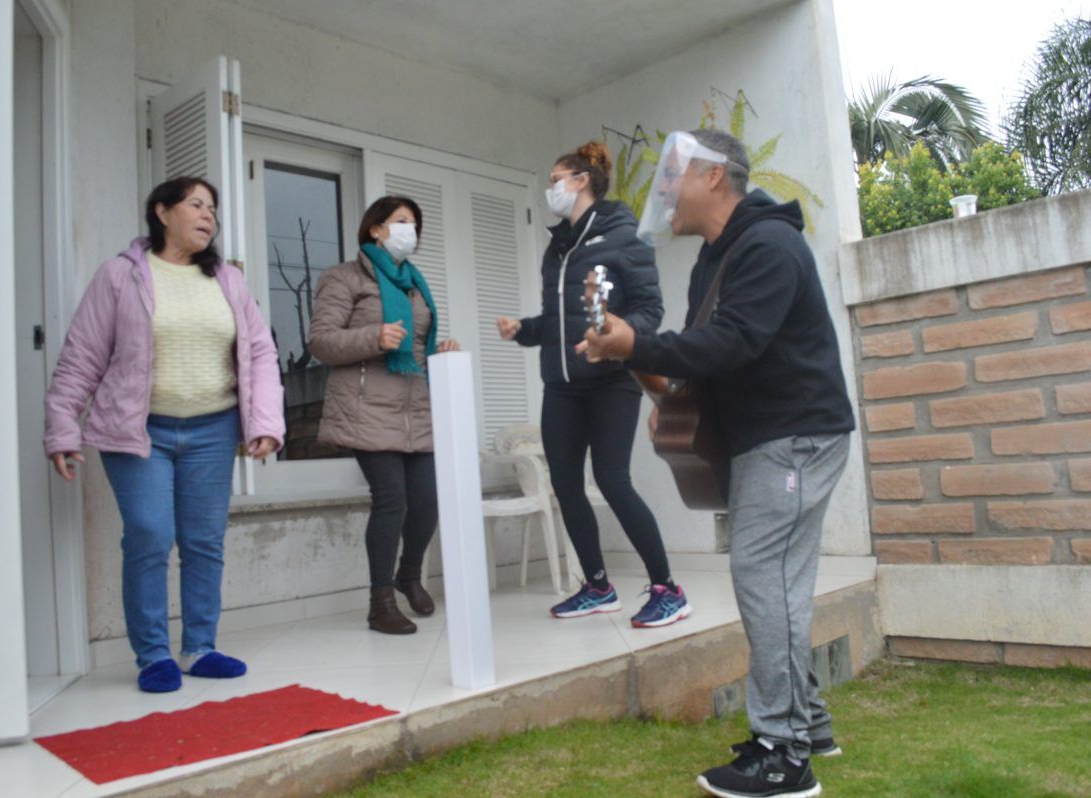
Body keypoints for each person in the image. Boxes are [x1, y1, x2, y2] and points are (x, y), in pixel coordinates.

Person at [579, 129, 855, 798]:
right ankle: (808, 723)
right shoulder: (716, 258)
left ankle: (785, 757)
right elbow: (705, 355)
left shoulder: (769, 246)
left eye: (674, 175)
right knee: (777, 581)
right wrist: (641, 364)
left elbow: (731, 342)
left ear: (713, 178)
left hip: (795, 437)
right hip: (767, 437)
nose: (664, 190)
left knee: (765, 575)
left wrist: (640, 341)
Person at [45, 177, 285, 693]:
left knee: (203, 541)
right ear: (162, 212)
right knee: (150, 534)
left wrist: (265, 422)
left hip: (213, 429)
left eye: (213, 210)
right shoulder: (119, 275)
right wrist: (62, 427)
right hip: (138, 430)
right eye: (196, 204)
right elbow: (82, 356)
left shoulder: (228, 280)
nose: (208, 216)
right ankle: (152, 654)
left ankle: (200, 646)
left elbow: (261, 352)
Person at [497, 140, 689, 628]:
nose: (550, 189)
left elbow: (649, 311)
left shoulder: (624, 237)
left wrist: (614, 336)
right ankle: (598, 586)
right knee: (565, 484)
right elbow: (557, 321)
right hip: (560, 385)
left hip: (610, 381)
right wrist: (525, 330)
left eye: (555, 179)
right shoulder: (557, 247)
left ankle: (668, 588)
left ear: (581, 181)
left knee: (611, 479)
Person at [309, 196, 459, 635]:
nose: (409, 230)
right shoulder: (344, 277)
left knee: (428, 502)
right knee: (392, 500)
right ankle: (380, 604)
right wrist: (374, 337)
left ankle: (408, 575)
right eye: (400, 221)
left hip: (417, 407)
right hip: (365, 408)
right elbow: (321, 341)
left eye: (414, 223)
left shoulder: (414, 283)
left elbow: (418, 346)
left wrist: (443, 350)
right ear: (375, 229)